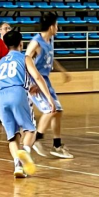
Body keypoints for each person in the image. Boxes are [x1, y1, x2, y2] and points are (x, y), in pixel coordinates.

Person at [0, 30, 56, 178]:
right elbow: (38, 77)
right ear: (21, 44)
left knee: (12, 136)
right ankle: (26, 152)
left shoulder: (1, 61)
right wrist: (49, 98)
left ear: (6, 45)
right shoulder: (24, 58)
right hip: (16, 92)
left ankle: (18, 166)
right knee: (30, 130)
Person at [27, 12, 74, 159]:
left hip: (45, 81)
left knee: (58, 111)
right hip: (35, 83)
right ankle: (37, 139)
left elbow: (51, 59)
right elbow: (25, 62)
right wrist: (32, 82)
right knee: (50, 110)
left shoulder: (49, 41)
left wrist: (63, 71)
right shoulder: (36, 43)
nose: (58, 28)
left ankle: (57, 145)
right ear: (51, 26)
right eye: (57, 25)